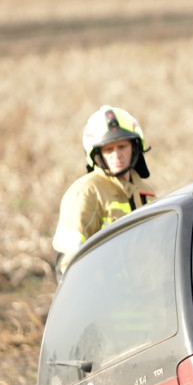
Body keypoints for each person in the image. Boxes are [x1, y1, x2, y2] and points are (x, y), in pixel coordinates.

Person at [53, 105, 156, 277]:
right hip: (106, 297)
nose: (117, 155)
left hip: (146, 294)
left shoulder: (146, 192)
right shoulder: (86, 192)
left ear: (135, 147)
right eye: (109, 149)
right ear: (97, 154)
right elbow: (67, 262)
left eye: (122, 146)